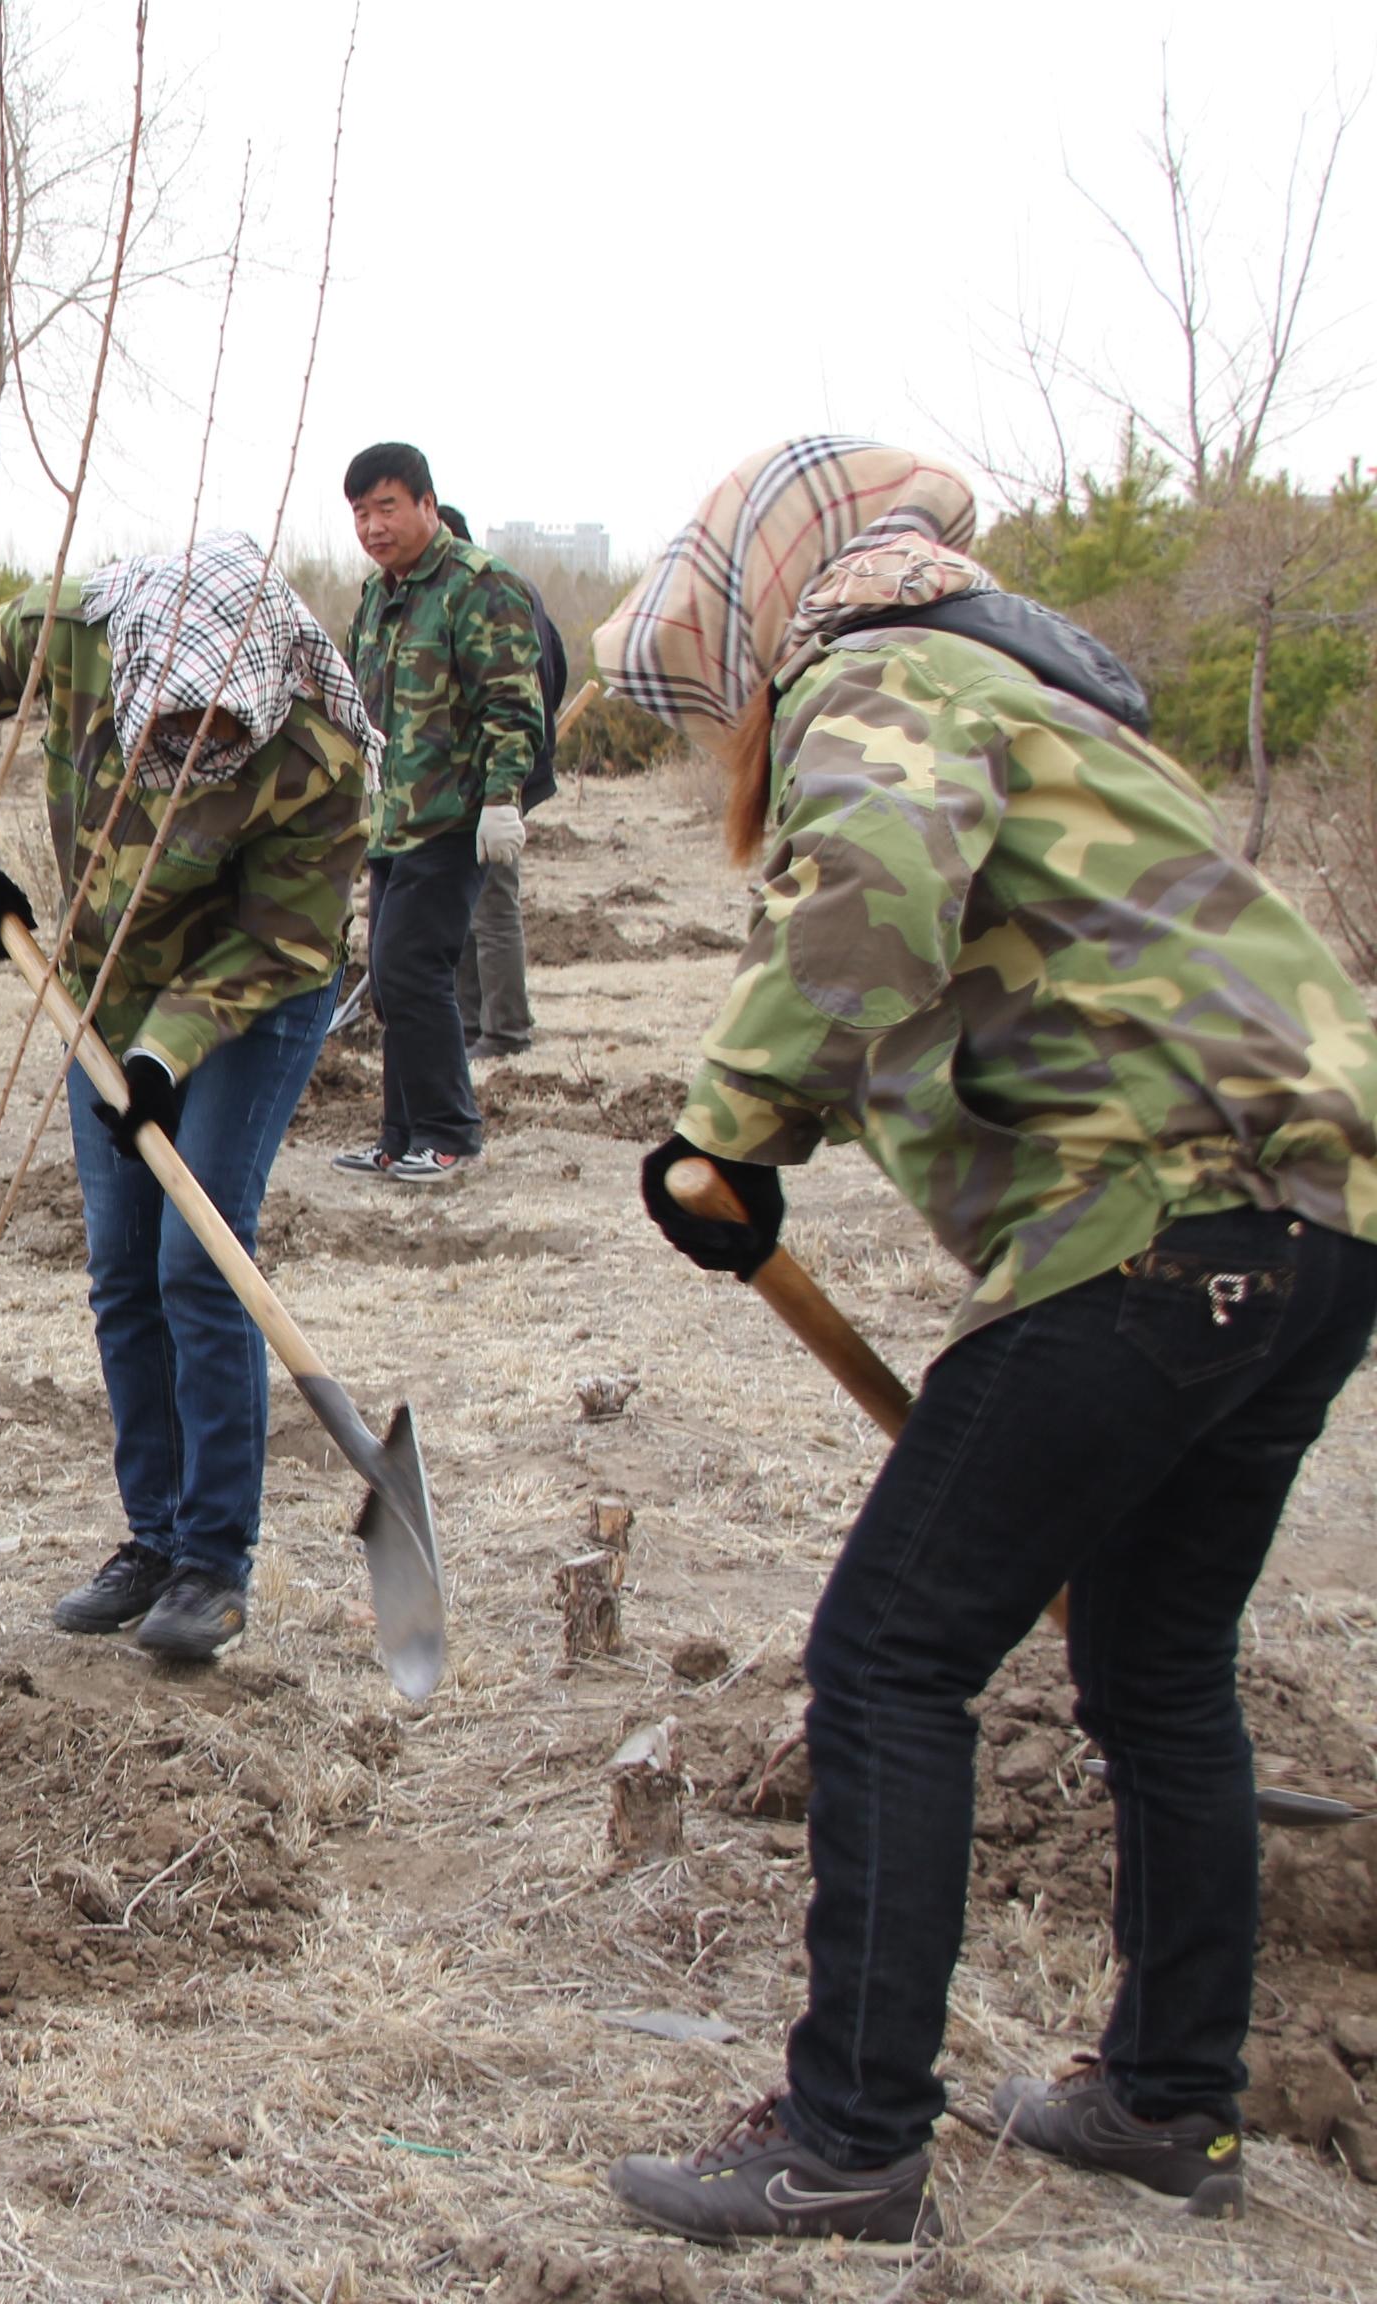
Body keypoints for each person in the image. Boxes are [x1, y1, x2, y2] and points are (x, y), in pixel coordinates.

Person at [596, 436, 1377, 2244]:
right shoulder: (1036, 686)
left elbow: (871, 887)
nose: (722, 727)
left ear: (757, 609)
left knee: (890, 1654)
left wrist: (729, 1129)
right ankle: (1171, 2101)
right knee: (1157, 1662)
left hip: (1156, 1217)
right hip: (1319, 1222)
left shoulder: (877, 666)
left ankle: (849, 2138)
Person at [0, 535, 375, 1661]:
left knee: (198, 1260)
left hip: (256, 989)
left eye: (216, 732)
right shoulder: (67, 637)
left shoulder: (319, 750)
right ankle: (154, 1540)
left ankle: (213, 1562)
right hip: (107, 977)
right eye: (168, 724)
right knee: (120, 1266)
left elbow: (284, 939)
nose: (190, 747)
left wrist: (164, 1055)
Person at [331, 443, 544, 1183]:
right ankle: (400, 1136)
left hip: (454, 819)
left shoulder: (479, 587)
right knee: (392, 980)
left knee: (413, 969)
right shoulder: (376, 596)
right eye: (361, 513)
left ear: (427, 503)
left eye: (387, 507)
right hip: (393, 821)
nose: (373, 526)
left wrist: (502, 798)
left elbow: (511, 704)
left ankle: (450, 1132)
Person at [432, 505, 568, 1063]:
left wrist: (507, 779)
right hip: (470, 780)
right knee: (466, 905)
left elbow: (524, 691)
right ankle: (469, 1025)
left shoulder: (491, 593)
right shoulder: (499, 588)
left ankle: (506, 1030)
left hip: (496, 778)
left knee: (491, 905)